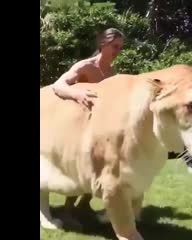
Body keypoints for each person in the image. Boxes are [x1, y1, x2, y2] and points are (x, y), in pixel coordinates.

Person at [52, 27, 124, 214]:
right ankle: (68, 209)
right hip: (76, 125)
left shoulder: (112, 73)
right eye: (115, 46)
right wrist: (76, 94)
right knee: (80, 166)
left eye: (120, 48)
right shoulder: (86, 66)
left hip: (99, 127)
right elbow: (58, 85)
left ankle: (84, 204)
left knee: (99, 165)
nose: (118, 51)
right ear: (103, 44)